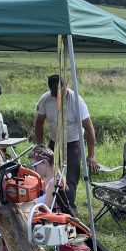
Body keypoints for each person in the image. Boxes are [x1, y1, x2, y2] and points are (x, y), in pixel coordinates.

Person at [33, 74, 97, 208]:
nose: (58, 97)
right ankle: (52, 205)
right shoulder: (46, 99)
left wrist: (91, 155)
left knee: (70, 177)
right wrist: (39, 145)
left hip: (72, 144)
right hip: (54, 142)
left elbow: (89, 128)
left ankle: (69, 209)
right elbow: (39, 122)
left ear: (66, 86)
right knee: (51, 175)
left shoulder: (76, 101)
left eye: (60, 93)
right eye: (55, 94)